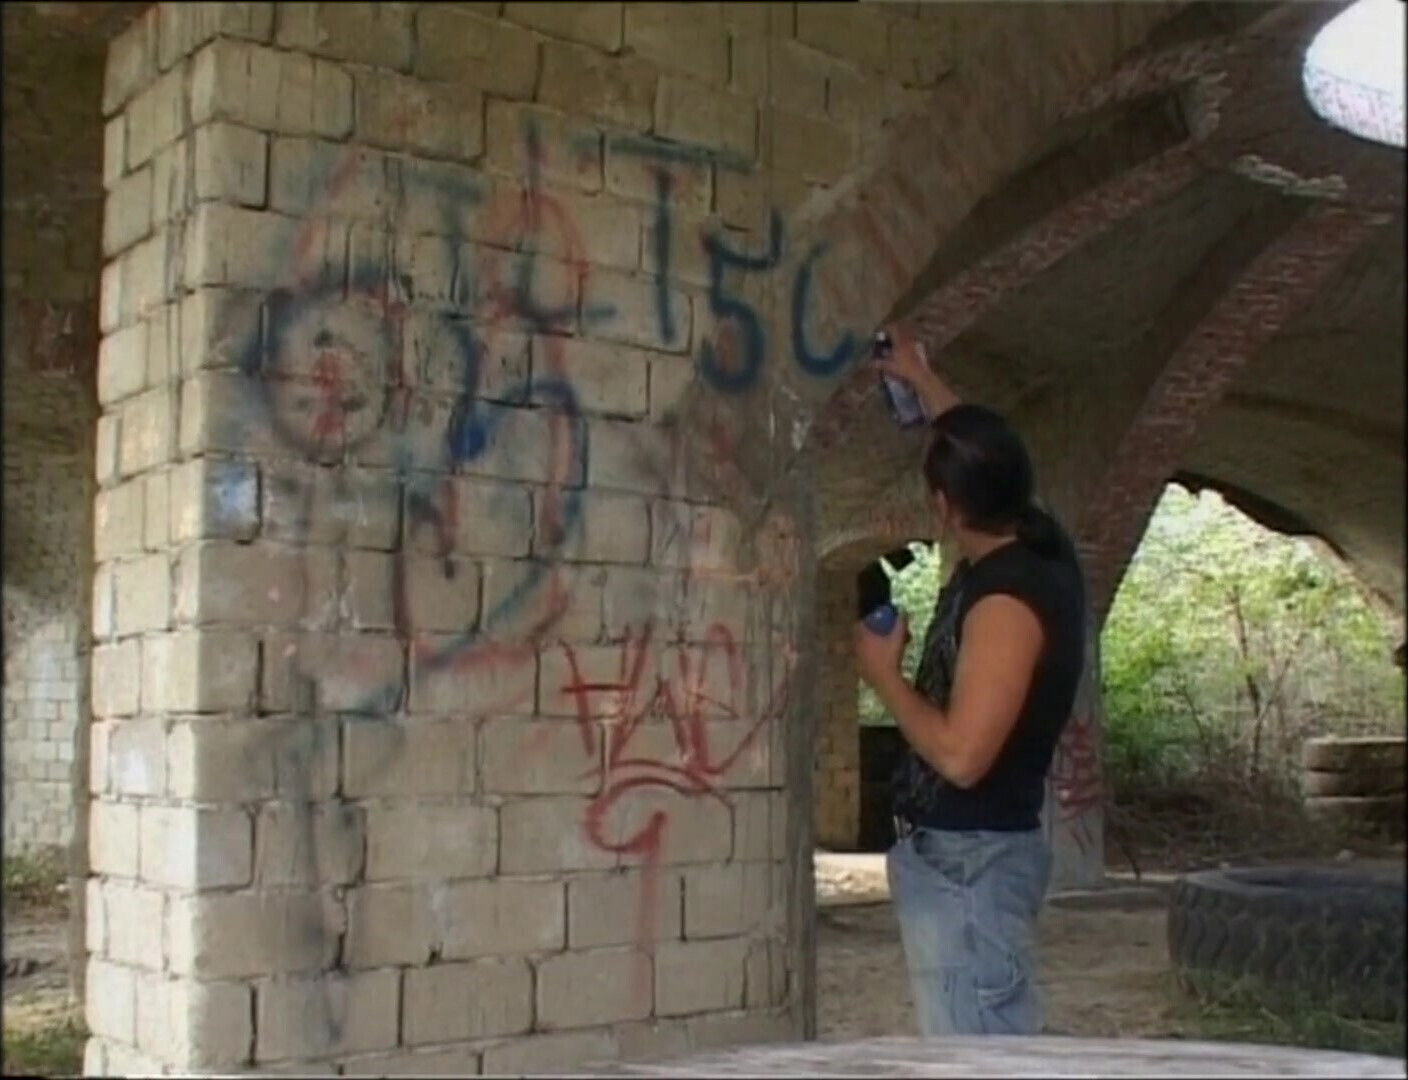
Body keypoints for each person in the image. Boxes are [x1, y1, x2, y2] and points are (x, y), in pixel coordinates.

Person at [854, 323, 1088, 1037]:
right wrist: (920, 378)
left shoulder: (1008, 604)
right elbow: (983, 452)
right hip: (963, 860)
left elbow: (962, 755)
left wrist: (882, 676)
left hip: (970, 868)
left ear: (947, 507)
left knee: (977, 1057)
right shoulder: (1036, 536)